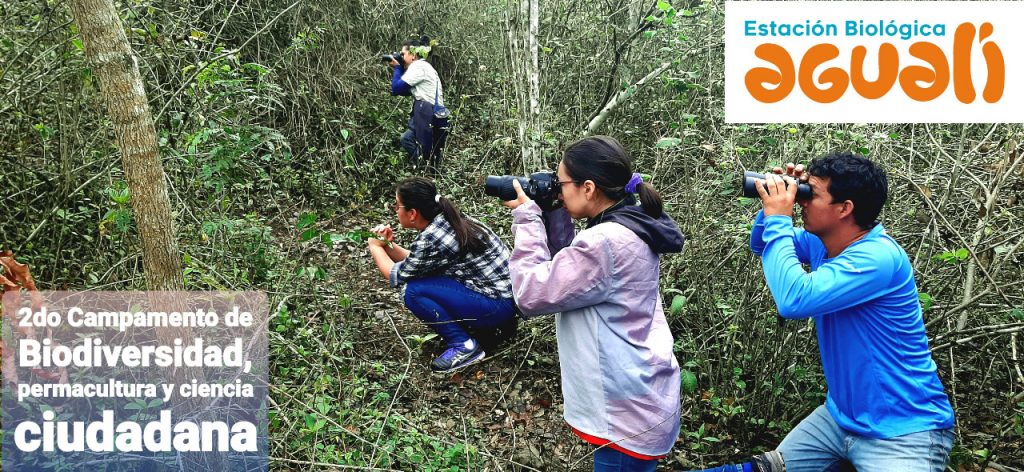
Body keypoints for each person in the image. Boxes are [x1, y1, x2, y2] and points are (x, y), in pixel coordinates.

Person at [690, 152, 955, 472]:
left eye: (810, 194)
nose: (801, 200)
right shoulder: (824, 242)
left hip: (904, 431)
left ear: (844, 208)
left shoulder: (877, 258)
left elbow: (794, 299)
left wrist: (779, 217)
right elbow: (762, 244)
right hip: (839, 418)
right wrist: (772, 206)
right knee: (766, 469)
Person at [503, 136, 685, 472]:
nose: (558, 191)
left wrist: (527, 219)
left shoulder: (605, 241)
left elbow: (530, 293)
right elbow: (570, 268)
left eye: (561, 184)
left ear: (588, 188)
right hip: (641, 394)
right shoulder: (630, 224)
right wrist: (553, 209)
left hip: (626, 415)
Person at [367, 177, 515, 373]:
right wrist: (388, 245)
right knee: (423, 281)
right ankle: (489, 331)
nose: (395, 210)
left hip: (497, 307)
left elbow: (395, 275)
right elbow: (418, 263)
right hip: (506, 301)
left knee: (412, 291)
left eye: (397, 206)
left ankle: (464, 346)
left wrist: (375, 247)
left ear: (412, 213)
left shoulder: (432, 237)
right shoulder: (448, 220)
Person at [389, 36, 448, 170]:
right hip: (437, 113)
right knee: (430, 150)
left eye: (403, 54)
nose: (401, 57)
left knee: (408, 140)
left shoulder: (418, 66)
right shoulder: (427, 67)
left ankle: (425, 169)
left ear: (413, 55)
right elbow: (405, 90)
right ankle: (430, 171)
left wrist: (397, 68)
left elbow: (397, 88)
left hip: (426, 111)